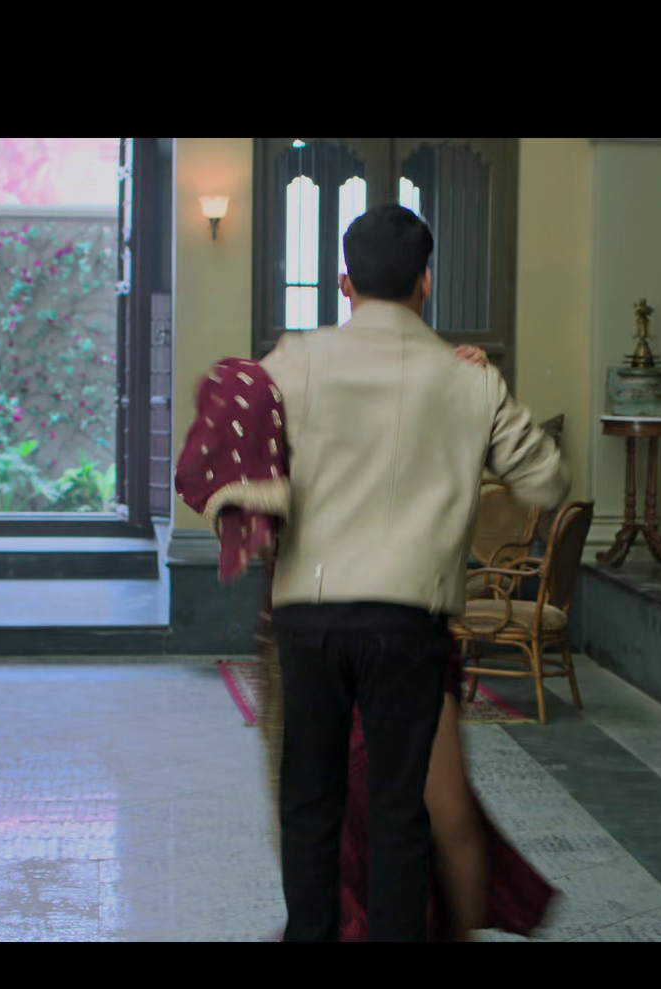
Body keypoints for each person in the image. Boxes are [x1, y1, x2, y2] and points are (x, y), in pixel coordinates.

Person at [177, 204, 568, 941]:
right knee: (399, 811)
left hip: (310, 615)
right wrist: (485, 397)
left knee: (309, 803)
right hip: (408, 624)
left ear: (344, 282)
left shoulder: (294, 361)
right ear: (427, 282)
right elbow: (547, 483)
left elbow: (239, 430)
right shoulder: (468, 380)